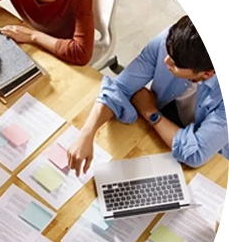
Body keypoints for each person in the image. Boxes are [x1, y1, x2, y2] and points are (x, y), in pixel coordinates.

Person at [67, 15, 229, 174]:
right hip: (168, 119)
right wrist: (87, 134)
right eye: (168, 52)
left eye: (175, 63)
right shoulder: (171, 42)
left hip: (214, 152)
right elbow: (120, 88)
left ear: (206, 74)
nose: (166, 61)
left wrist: (149, 111)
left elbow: (195, 154)